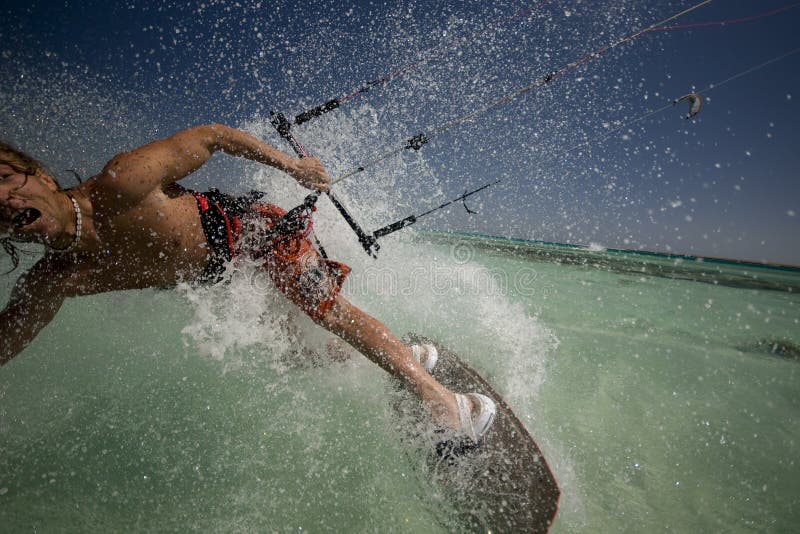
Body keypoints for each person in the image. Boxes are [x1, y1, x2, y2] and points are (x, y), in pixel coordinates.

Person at [0, 124, 495, 445]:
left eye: (5, 181)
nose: (2, 201)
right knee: (292, 354)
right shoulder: (56, 278)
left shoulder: (121, 182)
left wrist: (293, 167)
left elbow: (212, 136)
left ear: (40, 175)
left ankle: (446, 402)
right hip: (225, 276)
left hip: (252, 231)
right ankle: (406, 355)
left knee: (324, 309)